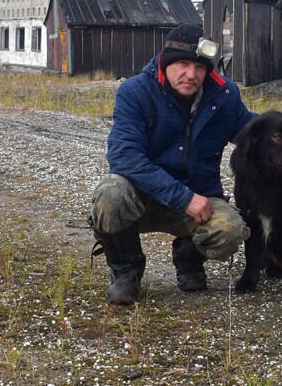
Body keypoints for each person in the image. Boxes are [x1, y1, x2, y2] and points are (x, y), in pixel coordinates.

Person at [90, 24, 255, 305]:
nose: (191, 75)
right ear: (165, 62)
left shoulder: (223, 94)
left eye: (200, 67)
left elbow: (253, 132)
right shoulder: (136, 92)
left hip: (199, 199)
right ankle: (125, 272)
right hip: (142, 197)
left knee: (230, 230)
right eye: (182, 64)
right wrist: (183, 198)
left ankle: (189, 260)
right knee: (110, 194)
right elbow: (124, 157)